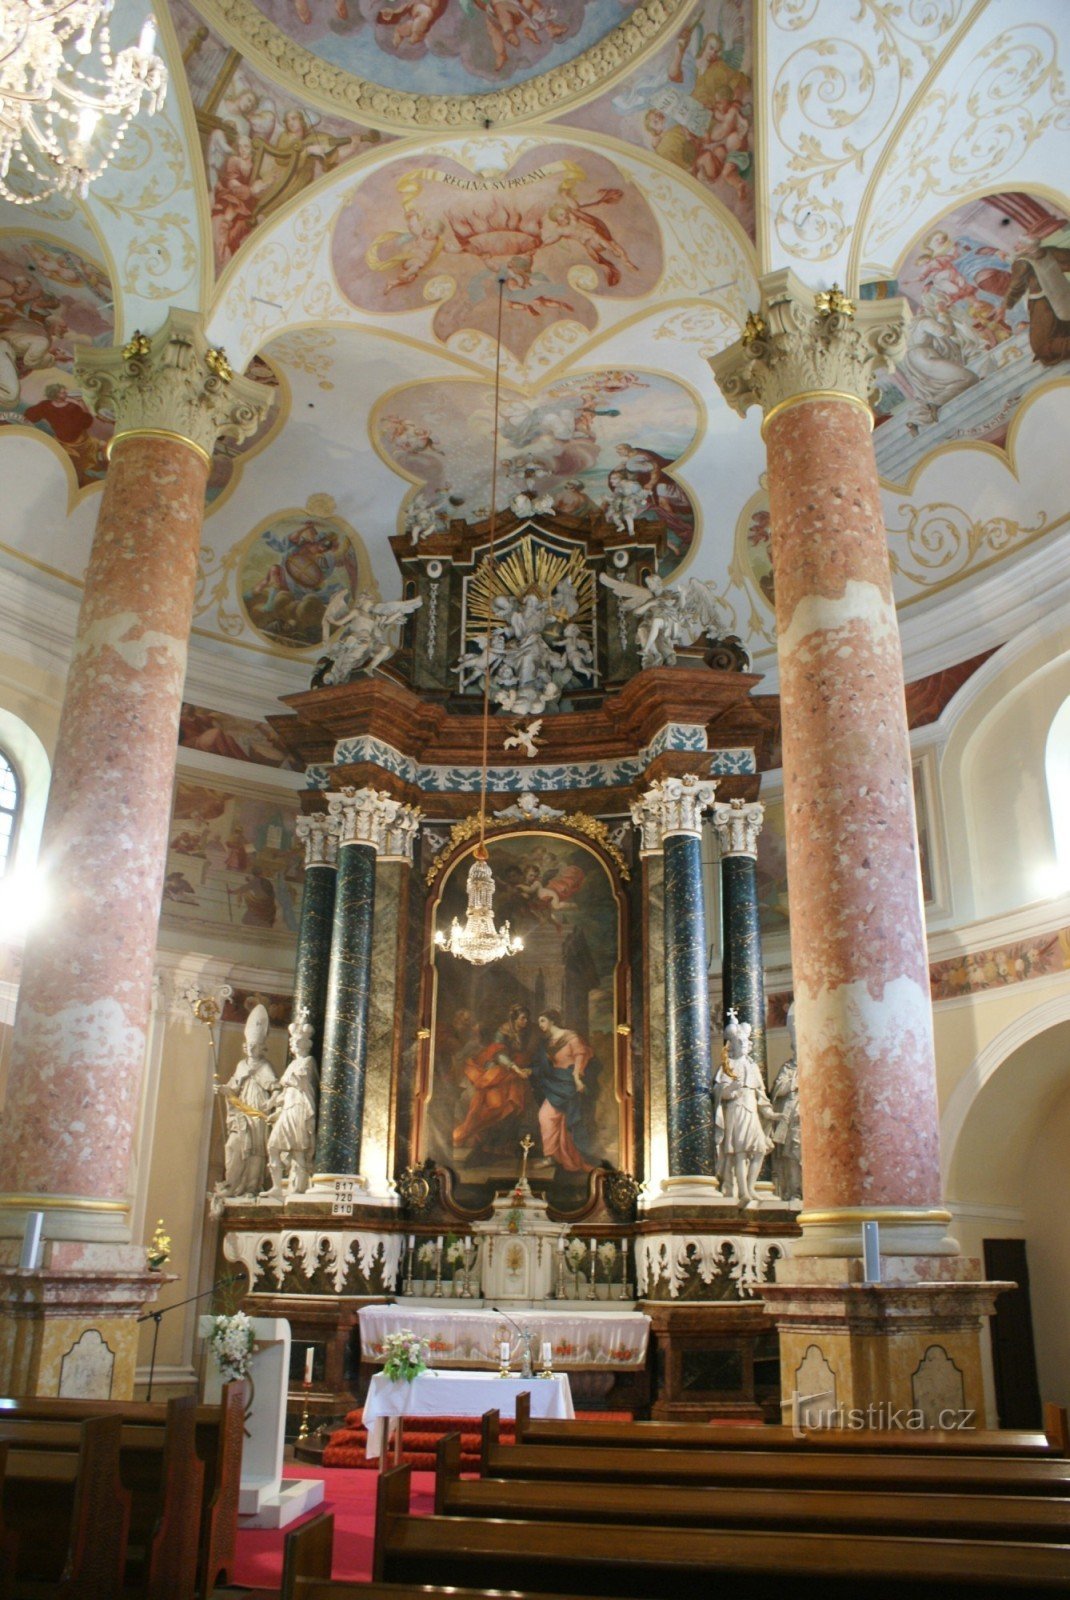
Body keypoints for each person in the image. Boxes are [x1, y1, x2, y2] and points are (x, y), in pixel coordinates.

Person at [452, 1009, 532, 1157]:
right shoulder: (502, 1033)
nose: (526, 1022)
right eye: (523, 1018)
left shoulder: (523, 1033)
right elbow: (499, 1055)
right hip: (496, 1071)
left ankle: (503, 1145)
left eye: (527, 1019)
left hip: (510, 1073)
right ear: (514, 1019)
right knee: (497, 1104)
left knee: (515, 1101)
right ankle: (482, 1139)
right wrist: (516, 1068)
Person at [715, 1008, 774, 1208]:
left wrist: (771, 1112)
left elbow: (761, 1093)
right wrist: (730, 1089)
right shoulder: (727, 1065)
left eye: (745, 1043)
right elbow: (719, 1091)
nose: (743, 1045)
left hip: (751, 1108)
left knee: (759, 1149)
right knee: (739, 1152)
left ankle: (751, 1186)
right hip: (736, 1108)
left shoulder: (752, 1066)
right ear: (732, 1044)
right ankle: (743, 1191)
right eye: (739, 1042)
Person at [215, 1004, 276, 1198]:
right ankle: (232, 1185)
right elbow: (233, 1087)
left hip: (258, 1111)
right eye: (249, 1046)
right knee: (233, 1146)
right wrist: (223, 1089)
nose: (251, 1049)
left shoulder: (265, 1066)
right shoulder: (241, 1065)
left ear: (261, 1048)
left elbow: (275, 1087)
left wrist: (271, 1102)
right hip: (241, 1112)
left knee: (256, 1150)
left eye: (254, 1046)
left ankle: (252, 1187)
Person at [531, 1009, 595, 1173]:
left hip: (568, 1082)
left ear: (552, 1021)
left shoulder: (570, 1036)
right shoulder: (549, 1042)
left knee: (556, 1119)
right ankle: (554, 1156)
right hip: (555, 1083)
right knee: (548, 1118)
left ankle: (554, 1157)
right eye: (539, 1022)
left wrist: (577, 1078)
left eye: (543, 1020)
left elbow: (580, 1055)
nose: (540, 1025)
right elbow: (548, 1065)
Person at [265, 1010, 319, 1196]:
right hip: (288, 1108)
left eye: (296, 1041)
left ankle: (299, 1187)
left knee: (298, 1151)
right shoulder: (292, 1064)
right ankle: (277, 1187)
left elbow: (302, 1083)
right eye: (292, 1041)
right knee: (272, 1146)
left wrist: (291, 1082)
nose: (292, 1044)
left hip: (299, 1109)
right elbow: (287, 1089)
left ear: (304, 1044)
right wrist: (273, 1104)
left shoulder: (309, 1061)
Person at [770, 1002, 802, 1203]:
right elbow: (777, 1090)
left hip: (806, 1120)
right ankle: (794, 1191)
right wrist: (793, 1082)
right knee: (790, 1156)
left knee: (803, 1155)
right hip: (790, 1120)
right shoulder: (788, 1068)